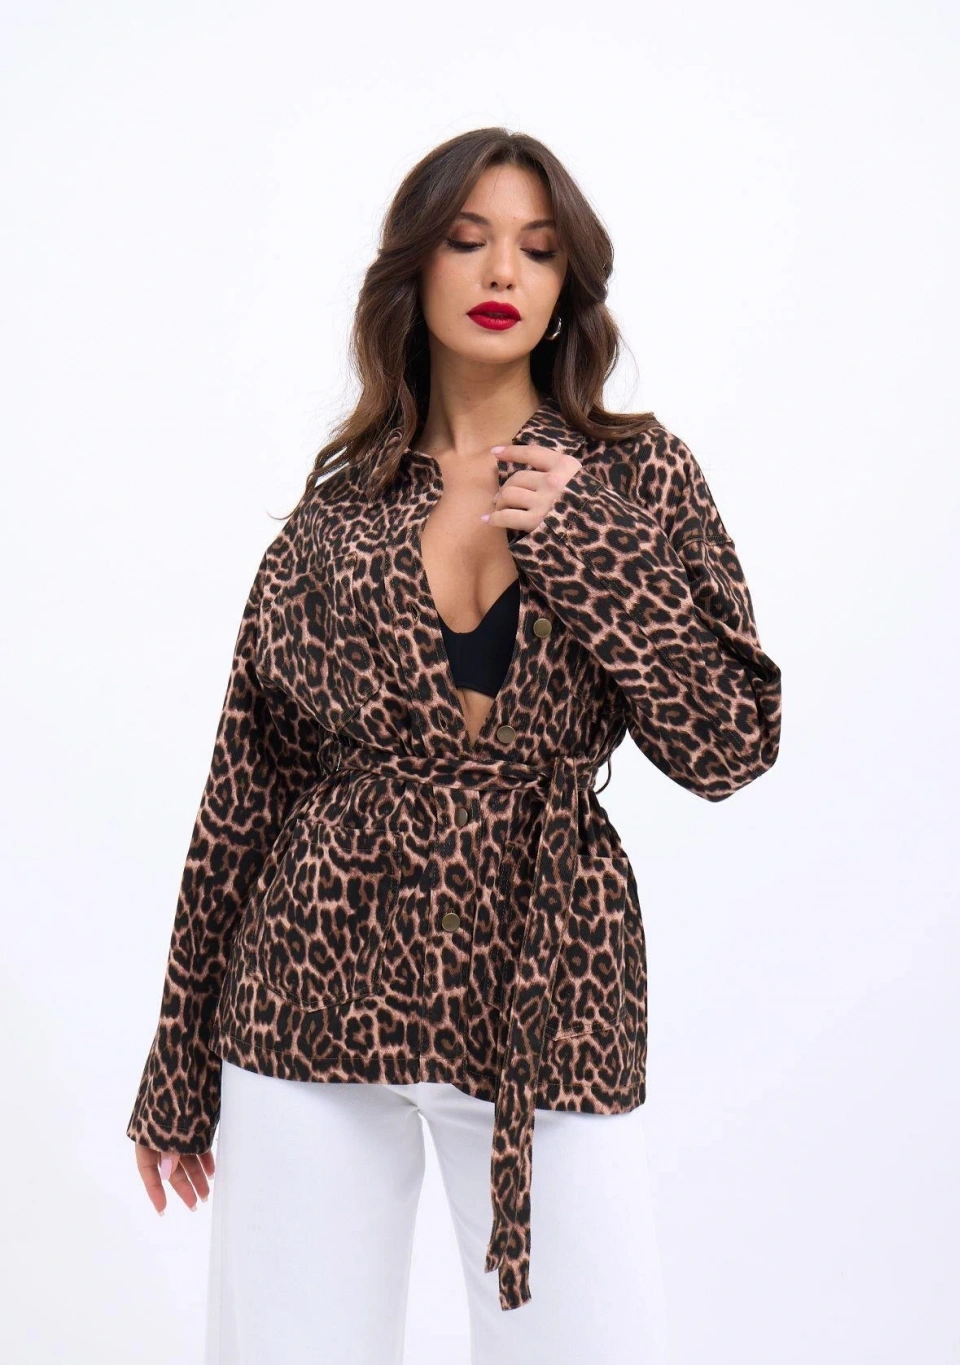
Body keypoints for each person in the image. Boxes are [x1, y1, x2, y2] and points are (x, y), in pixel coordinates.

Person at [126, 127, 783, 1365]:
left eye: (538, 248)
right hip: (310, 993)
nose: (501, 272)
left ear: (568, 282)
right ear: (413, 270)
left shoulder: (637, 477)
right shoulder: (335, 517)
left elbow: (729, 744)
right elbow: (240, 799)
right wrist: (176, 1071)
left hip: (549, 991)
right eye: (467, 240)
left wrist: (592, 545)